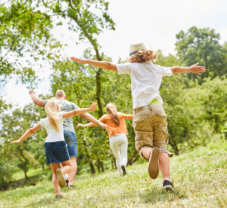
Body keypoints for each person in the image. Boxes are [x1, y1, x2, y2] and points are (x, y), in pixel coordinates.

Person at [71, 42, 205, 191]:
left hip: (142, 111)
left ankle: (150, 155)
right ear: (147, 53)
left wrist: (86, 61)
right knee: (161, 147)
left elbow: (109, 65)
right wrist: (190, 69)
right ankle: (167, 181)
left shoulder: (133, 67)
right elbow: (173, 69)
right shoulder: (156, 68)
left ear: (132, 57)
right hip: (159, 110)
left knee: (142, 145)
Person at [11, 100, 97, 198]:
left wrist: (20, 139)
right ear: (57, 108)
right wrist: (89, 109)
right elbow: (74, 112)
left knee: (54, 172)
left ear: (47, 109)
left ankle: (58, 194)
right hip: (59, 144)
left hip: (48, 145)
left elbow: (31, 130)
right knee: (68, 166)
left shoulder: (43, 120)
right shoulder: (59, 115)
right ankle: (62, 172)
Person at [29, 89, 107, 187]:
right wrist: (99, 123)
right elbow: (84, 114)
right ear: (64, 97)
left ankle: (65, 178)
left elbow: (37, 101)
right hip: (70, 133)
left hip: (58, 134)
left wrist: (31, 93)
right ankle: (70, 183)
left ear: (56, 96)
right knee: (72, 159)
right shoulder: (70, 104)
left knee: (63, 159)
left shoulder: (51, 103)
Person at [77, 103, 133, 176]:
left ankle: (121, 174)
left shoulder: (105, 117)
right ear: (114, 108)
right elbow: (131, 116)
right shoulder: (120, 114)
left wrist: (83, 125)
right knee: (124, 156)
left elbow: (95, 123)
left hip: (113, 139)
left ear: (107, 110)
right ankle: (123, 164)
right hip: (122, 137)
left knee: (117, 157)